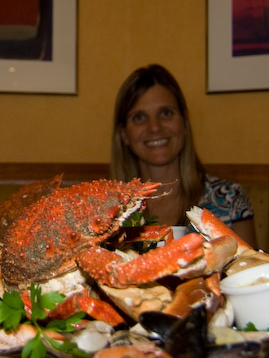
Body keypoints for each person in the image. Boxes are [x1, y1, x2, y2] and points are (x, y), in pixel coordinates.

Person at [110, 64, 257, 246]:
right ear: (124, 134)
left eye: (166, 113)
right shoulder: (107, 212)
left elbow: (251, 269)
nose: (155, 127)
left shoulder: (230, 199)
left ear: (184, 122)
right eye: (139, 117)